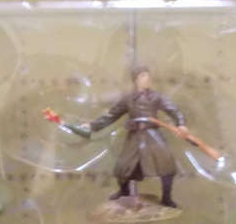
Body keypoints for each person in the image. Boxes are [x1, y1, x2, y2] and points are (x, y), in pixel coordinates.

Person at [81, 66, 188, 208]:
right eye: (143, 75)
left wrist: (181, 124)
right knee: (123, 167)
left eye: (148, 75)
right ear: (136, 79)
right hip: (135, 137)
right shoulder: (128, 99)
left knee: (167, 166)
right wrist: (92, 126)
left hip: (153, 136)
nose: (147, 78)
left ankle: (166, 197)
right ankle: (124, 192)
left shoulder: (157, 97)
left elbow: (173, 109)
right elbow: (111, 115)